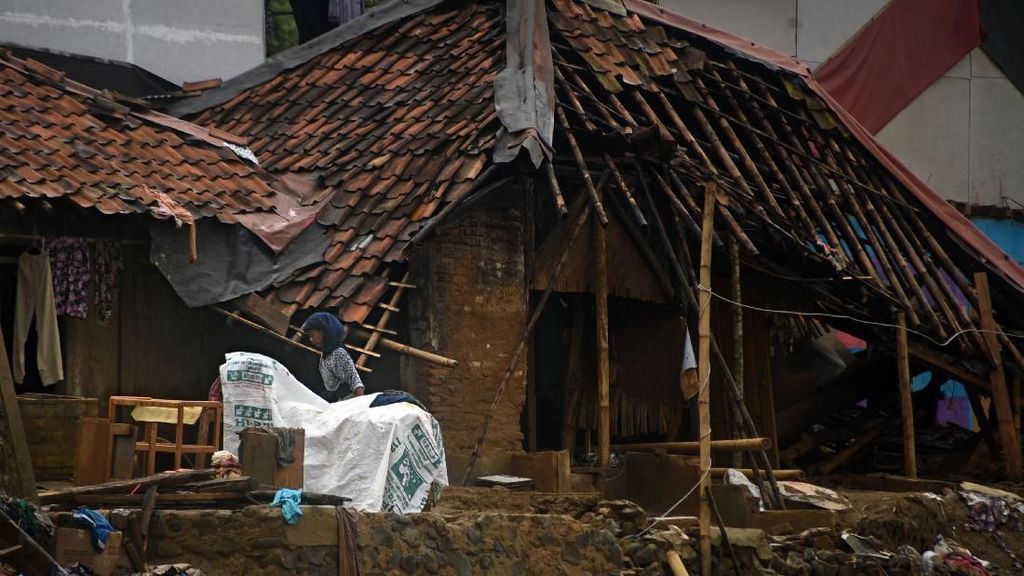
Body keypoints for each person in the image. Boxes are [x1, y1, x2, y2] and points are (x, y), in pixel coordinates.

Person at [300, 312, 364, 402]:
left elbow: (355, 381)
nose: (310, 340)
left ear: (324, 331)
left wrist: (360, 405)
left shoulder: (338, 353)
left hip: (344, 402)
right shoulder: (326, 353)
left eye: (312, 335)